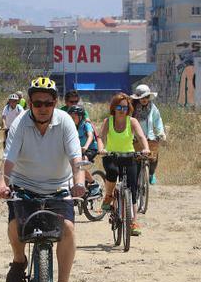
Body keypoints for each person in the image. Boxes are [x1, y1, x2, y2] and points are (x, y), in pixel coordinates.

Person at [0, 76, 85, 282]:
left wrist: (79, 182)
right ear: (30, 104)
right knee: (16, 224)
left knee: (68, 229)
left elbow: (76, 158)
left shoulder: (65, 122)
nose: (43, 108)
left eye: (48, 103)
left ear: (55, 103)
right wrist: (2, 183)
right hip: (24, 186)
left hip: (58, 187)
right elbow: (8, 159)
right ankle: (19, 260)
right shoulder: (20, 124)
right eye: (37, 103)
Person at [96, 92, 151, 236]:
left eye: (125, 108)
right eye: (119, 108)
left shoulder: (132, 122)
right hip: (111, 156)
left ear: (129, 109)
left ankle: (133, 221)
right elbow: (101, 137)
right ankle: (108, 195)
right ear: (114, 108)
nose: (122, 110)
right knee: (112, 173)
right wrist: (101, 149)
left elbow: (140, 136)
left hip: (129, 156)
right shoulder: (108, 121)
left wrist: (145, 148)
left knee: (132, 189)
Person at [131, 84, 166, 185]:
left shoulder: (153, 108)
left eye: (146, 97)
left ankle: (151, 174)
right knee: (135, 161)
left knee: (153, 156)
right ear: (138, 98)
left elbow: (158, 120)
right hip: (135, 138)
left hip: (149, 137)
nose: (144, 99)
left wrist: (160, 133)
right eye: (142, 97)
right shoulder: (132, 108)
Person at [68, 104, 101, 196]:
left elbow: (90, 136)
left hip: (90, 148)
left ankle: (93, 183)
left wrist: (86, 147)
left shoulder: (86, 124)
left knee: (82, 163)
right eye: (70, 117)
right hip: (77, 150)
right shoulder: (71, 126)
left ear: (80, 116)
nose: (72, 118)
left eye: (74, 117)